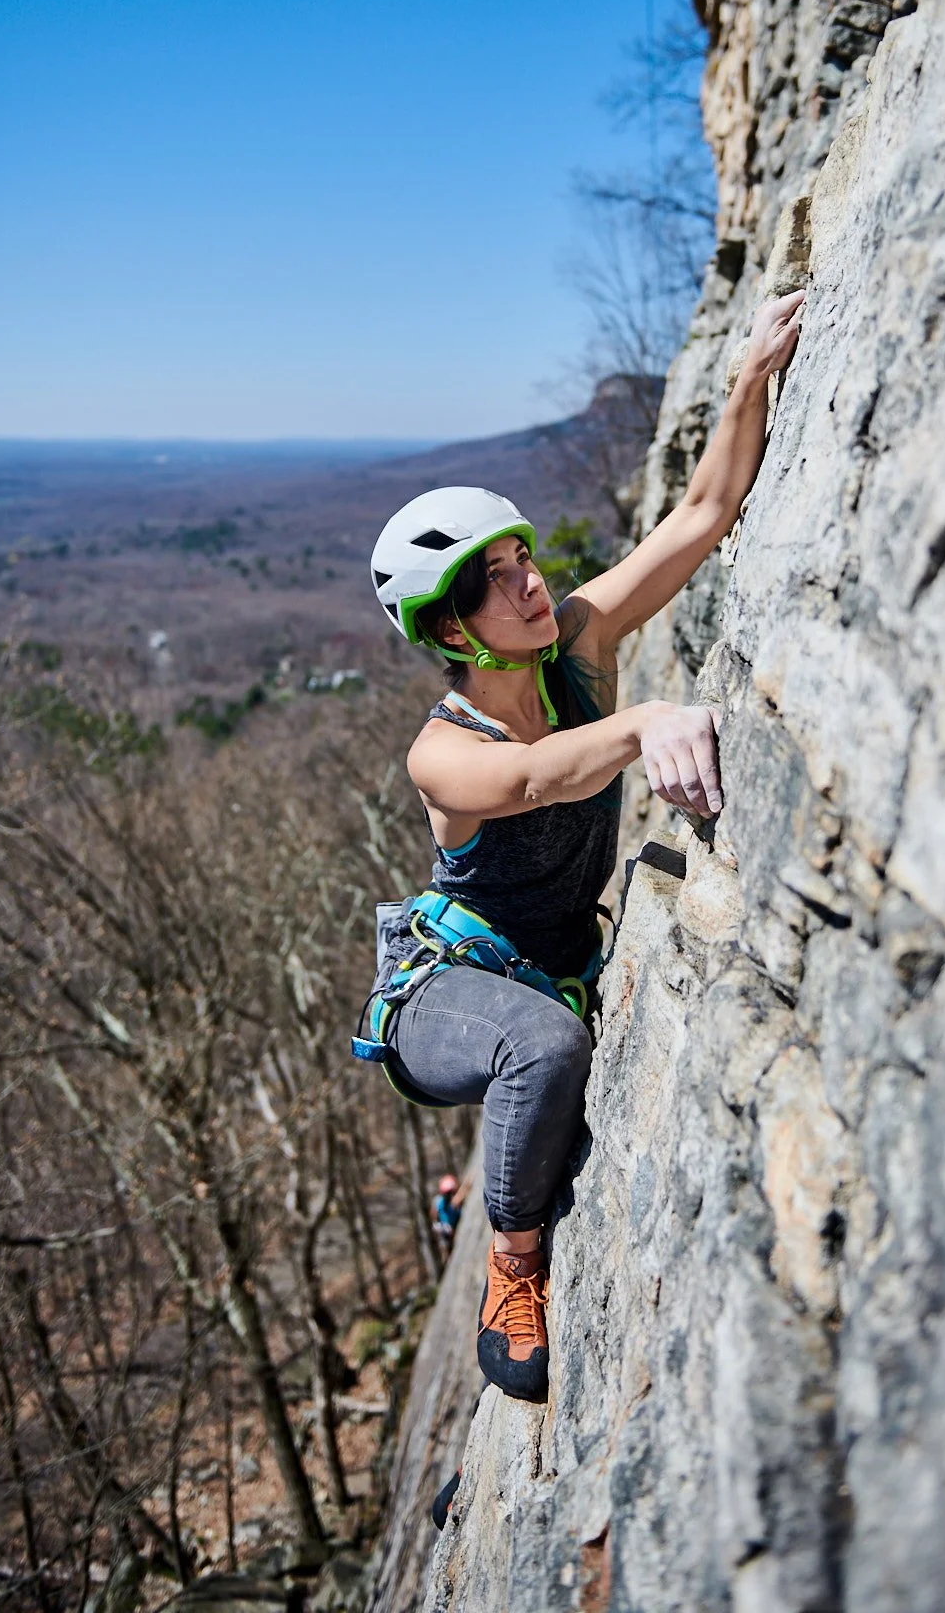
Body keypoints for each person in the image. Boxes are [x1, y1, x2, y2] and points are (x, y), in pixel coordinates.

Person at [362, 289, 804, 1401]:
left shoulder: (578, 645)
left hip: (549, 961)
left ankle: (487, 1185)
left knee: (548, 1034)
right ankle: (512, 1269)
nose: (530, 578)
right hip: (449, 986)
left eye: (523, 555)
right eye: (499, 577)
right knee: (545, 1051)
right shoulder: (442, 752)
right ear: (451, 628)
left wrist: (747, 376)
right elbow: (532, 775)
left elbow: (700, 514)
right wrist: (645, 721)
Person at [432, 1173, 463, 1249]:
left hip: (450, 1224)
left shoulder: (446, 1201)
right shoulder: (440, 1202)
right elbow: (441, 1215)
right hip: (446, 1226)